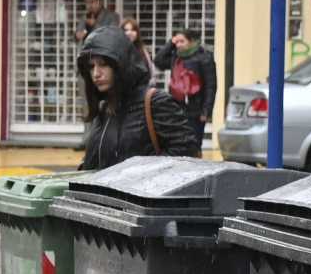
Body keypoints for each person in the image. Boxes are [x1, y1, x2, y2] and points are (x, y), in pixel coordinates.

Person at [78, 22, 198, 171]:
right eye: (91, 66)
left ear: (120, 65)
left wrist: (140, 179)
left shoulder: (155, 103)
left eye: (103, 64)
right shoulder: (105, 108)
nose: (96, 73)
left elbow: (185, 154)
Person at [154, 28, 217, 149]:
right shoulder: (175, 57)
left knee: (194, 143)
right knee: (177, 143)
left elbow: (211, 86)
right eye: (177, 42)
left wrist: (206, 111)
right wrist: (170, 43)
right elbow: (158, 61)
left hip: (196, 110)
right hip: (176, 108)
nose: (178, 45)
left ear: (190, 41)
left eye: (181, 41)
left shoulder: (204, 57)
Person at [121, 17, 154, 84]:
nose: (129, 33)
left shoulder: (143, 50)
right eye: (126, 30)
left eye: (133, 30)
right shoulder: (117, 51)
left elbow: (150, 73)